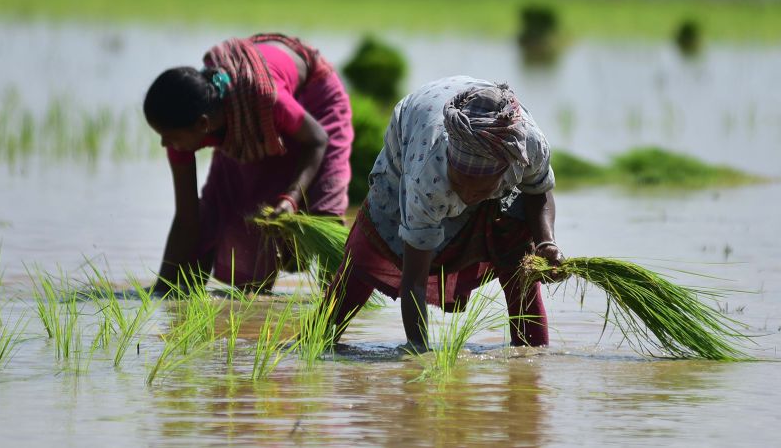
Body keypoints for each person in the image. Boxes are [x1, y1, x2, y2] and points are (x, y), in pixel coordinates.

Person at [323, 76, 562, 349]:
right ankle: (316, 338)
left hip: (486, 137)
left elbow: (538, 191)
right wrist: (419, 351)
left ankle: (532, 355)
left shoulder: (529, 147)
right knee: (372, 247)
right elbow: (414, 283)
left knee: (519, 254)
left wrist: (547, 243)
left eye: (479, 189)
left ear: (504, 172)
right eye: (459, 182)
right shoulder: (427, 173)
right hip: (413, 133)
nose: (468, 195)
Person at [143, 33, 353, 294]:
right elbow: (187, 218)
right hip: (250, 115)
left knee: (324, 210)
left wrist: (291, 197)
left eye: (171, 138)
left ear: (203, 125)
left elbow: (318, 140)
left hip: (315, 100)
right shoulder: (194, 125)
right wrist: (162, 288)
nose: (165, 144)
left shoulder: (266, 98)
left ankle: (339, 305)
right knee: (227, 208)